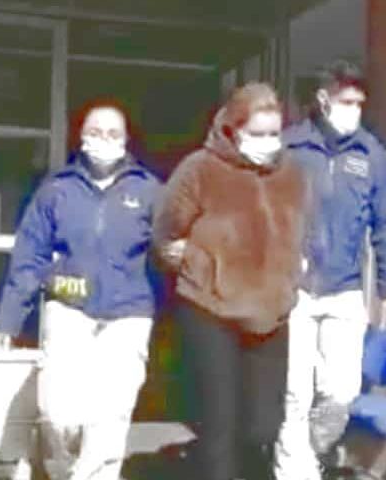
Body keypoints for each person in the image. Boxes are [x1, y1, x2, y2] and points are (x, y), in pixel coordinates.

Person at [0, 100, 162, 480]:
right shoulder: (57, 190)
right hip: (69, 307)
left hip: (128, 313)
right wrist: (9, 319)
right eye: (95, 132)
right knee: (58, 410)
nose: (104, 139)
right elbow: (29, 256)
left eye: (113, 133)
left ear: (126, 140)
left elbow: (169, 250)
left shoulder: (148, 190)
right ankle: (66, 468)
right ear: (82, 138)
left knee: (112, 412)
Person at [153, 82, 308, 480]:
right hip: (211, 308)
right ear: (233, 129)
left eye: (274, 133)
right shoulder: (200, 169)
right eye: (257, 133)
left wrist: (296, 270)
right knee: (219, 423)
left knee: (263, 427)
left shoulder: (292, 174)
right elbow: (167, 230)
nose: (267, 142)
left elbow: (306, 229)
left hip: (270, 313)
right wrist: (191, 259)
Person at [275, 60, 386, 480]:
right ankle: (295, 471)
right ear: (323, 100)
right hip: (294, 290)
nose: (355, 109)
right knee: (295, 393)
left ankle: (311, 454)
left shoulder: (372, 156)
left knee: (340, 392)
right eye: (347, 101)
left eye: (359, 103)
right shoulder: (289, 148)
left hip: (345, 290)